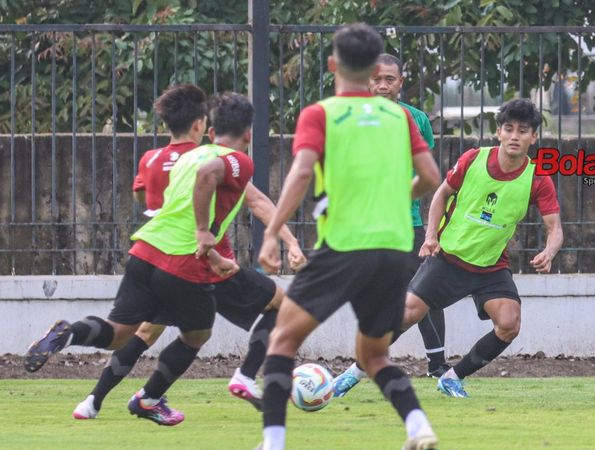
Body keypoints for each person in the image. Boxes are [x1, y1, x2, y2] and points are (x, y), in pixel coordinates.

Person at [254, 24, 441, 450]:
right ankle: (417, 427)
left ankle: (273, 442)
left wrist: (271, 234)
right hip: (395, 247)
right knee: (375, 356)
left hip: (344, 244)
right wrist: (397, 197)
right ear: (375, 68)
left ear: (333, 64)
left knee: (282, 340)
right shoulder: (400, 117)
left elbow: (301, 173)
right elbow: (430, 176)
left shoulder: (321, 114)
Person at [69, 84, 306, 420]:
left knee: (142, 331)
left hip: (157, 253)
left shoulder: (161, 158)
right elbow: (254, 201)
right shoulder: (223, 161)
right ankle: (241, 377)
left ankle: (94, 401)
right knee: (276, 307)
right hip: (205, 263)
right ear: (201, 127)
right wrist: (286, 242)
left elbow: (146, 200)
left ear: (209, 130)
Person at [24, 91, 259, 426]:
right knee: (196, 335)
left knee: (120, 333)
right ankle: (148, 399)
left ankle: (70, 334)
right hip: (182, 262)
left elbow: (152, 202)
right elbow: (211, 179)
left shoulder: (168, 158)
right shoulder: (226, 159)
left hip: (145, 251)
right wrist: (205, 234)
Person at [333, 98, 563, 399]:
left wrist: (549, 251)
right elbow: (441, 195)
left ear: (534, 137)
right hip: (449, 259)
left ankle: (453, 377)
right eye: (509, 129)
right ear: (499, 133)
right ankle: (357, 370)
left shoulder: (538, 178)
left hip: (490, 267)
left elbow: (555, 228)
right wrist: (431, 237)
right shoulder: (473, 159)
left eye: (523, 131)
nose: (515, 136)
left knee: (509, 323)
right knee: (405, 314)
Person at [367, 53, 449, 378]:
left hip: (409, 223)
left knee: (426, 291)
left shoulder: (417, 120)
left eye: (390, 79)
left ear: (400, 82)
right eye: (377, 79)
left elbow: (426, 172)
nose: (383, 85)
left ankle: (437, 364)